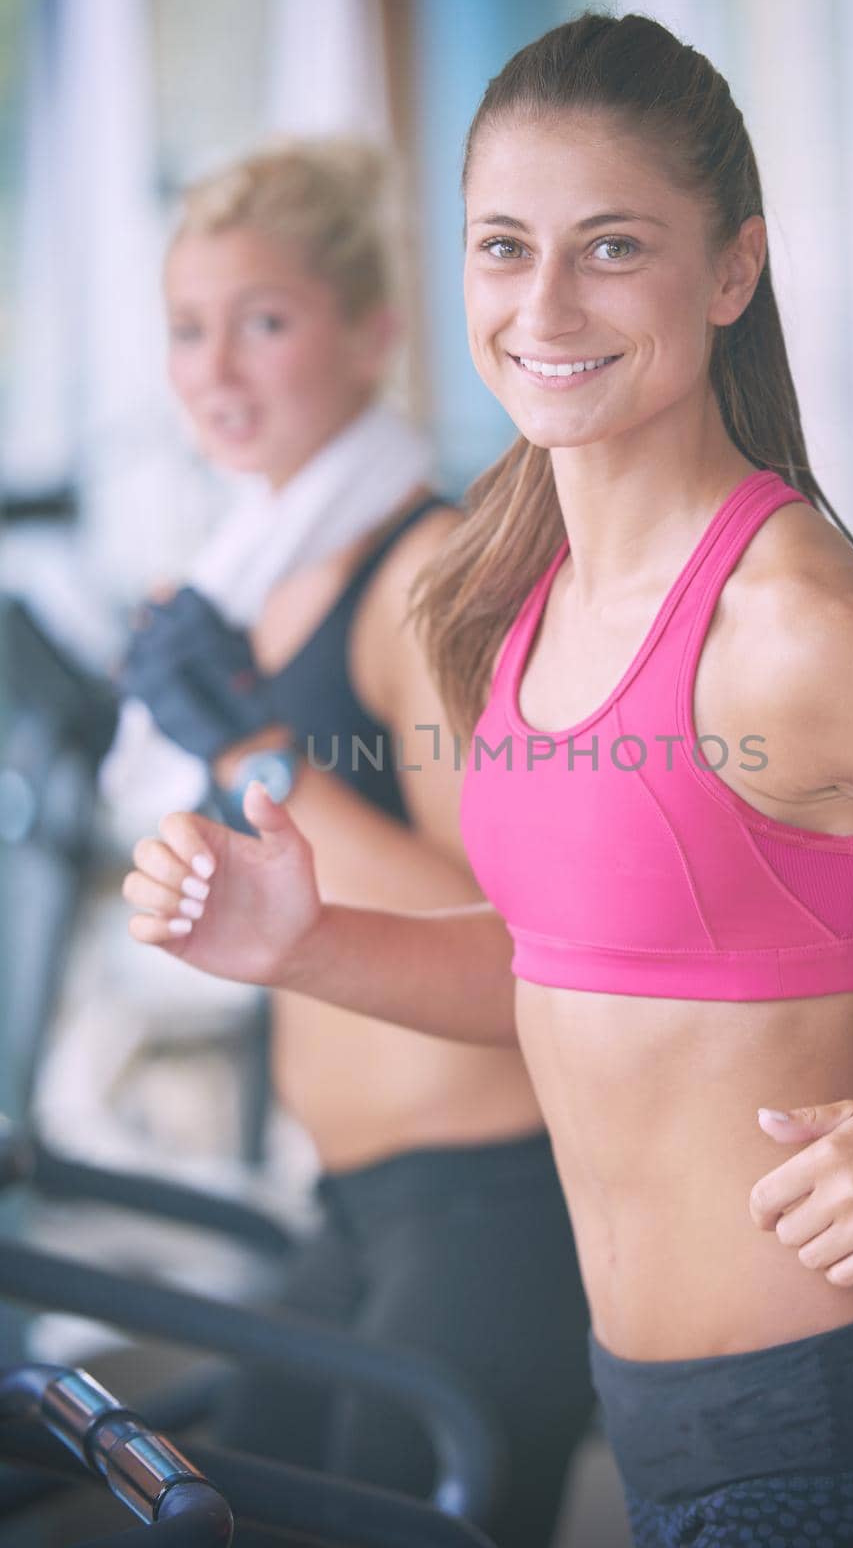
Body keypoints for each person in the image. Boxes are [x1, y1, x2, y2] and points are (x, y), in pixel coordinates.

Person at [122, 17, 853, 1547]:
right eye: (504, 247)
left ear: (732, 272)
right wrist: (298, 946)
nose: (543, 304)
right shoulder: (514, 594)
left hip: (840, 1447)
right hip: (659, 1441)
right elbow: (561, 979)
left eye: (611, 246)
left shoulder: (796, 625)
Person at [118, 138, 593, 1548]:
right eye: (188, 331)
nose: (219, 371)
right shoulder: (252, 575)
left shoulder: (427, 573)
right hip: (358, 1206)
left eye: (265, 322)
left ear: (376, 333)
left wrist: (251, 753)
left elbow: (520, 938)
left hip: (490, 1203)